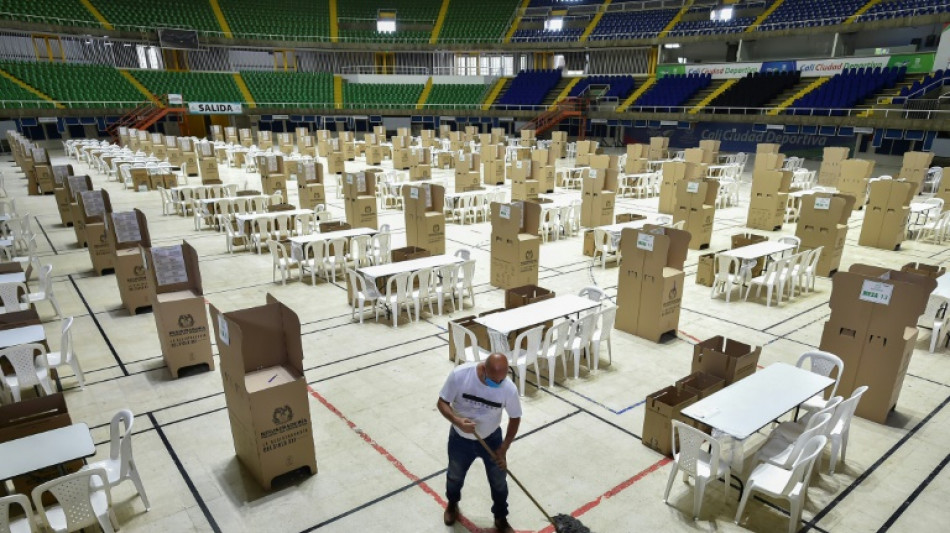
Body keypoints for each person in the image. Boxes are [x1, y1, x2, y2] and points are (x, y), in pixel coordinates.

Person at [437, 353, 521, 533]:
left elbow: (515, 418)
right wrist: (456, 420)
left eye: (502, 379)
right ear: (483, 368)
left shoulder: (508, 388)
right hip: (460, 439)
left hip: (492, 440)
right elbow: (442, 402)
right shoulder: (460, 375)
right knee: (454, 475)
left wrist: (504, 447)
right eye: (494, 380)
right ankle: (452, 504)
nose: (498, 384)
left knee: (499, 481)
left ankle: (500, 518)